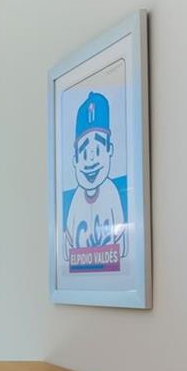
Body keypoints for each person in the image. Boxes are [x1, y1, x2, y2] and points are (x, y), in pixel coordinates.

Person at [60, 91, 127, 272]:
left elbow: (123, 242)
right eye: (83, 153)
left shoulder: (112, 192)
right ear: (75, 160)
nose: (90, 161)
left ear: (110, 150)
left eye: (97, 150)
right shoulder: (75, 200)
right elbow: (67, 247)